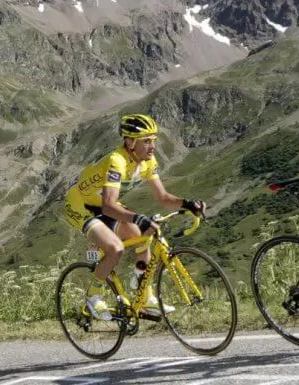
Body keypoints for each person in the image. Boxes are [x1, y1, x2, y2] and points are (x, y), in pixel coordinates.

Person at [62, 114, 206, 320]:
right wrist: (138, 217)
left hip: (102, 204)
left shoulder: (148, 162)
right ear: (130, 142)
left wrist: (188, 204)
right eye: (146, 141)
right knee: (115, 248)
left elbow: (163, 197)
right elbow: (109, 206)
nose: (152, 146)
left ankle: (144, 295)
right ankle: (93, 296)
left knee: (142, 234)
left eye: (154, 140)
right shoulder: (117, 160)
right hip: (79, 205)